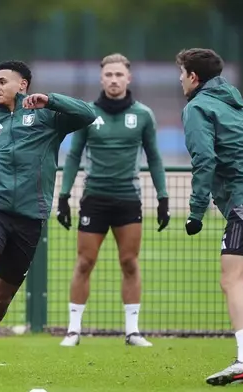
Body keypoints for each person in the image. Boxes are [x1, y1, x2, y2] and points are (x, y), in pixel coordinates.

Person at [0, 60, 97, 373]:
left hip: (30, 220)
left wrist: (51, 100)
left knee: (0, 301)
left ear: (23, 85)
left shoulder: (48, 117)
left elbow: (88, 114)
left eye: (2, 81)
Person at [177, 48, 243, 386]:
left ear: (193, 76)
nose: (179, 80)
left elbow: (204, 160)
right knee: (240, 278)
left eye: (181, 73)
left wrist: (196, 212)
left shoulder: (196, 107)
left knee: (232, 280)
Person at [57, 53, 170, 348]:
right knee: (84, 262)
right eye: (109, 75)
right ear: (101, 78)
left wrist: (163, 197)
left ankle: (132, 332)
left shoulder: (143, 115)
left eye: (119, 75)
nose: (114, 80)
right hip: (94, 198)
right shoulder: (87, 114)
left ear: (128, 78)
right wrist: (64, 196)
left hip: (128, 199)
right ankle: (73, 330)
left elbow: (155, 158)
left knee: (130, 262)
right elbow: (73, 156)